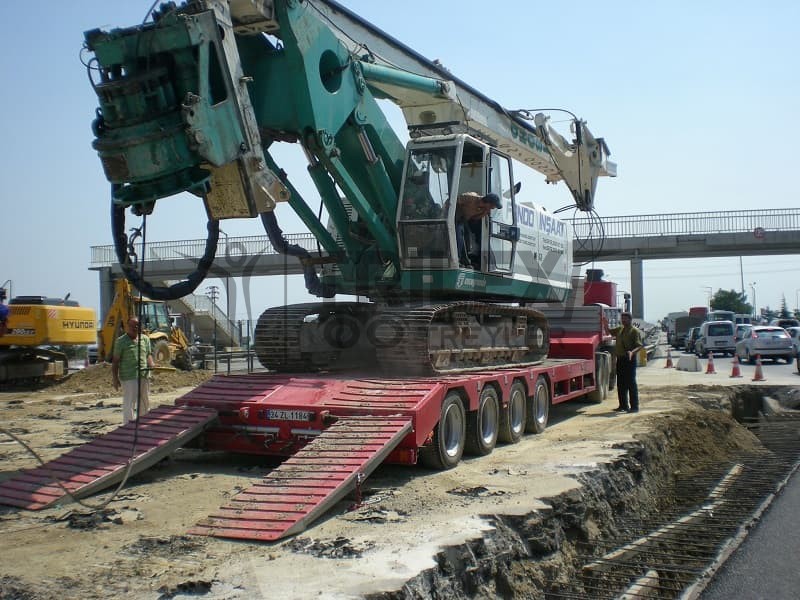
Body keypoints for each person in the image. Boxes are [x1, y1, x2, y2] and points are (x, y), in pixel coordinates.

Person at [112, 317, 155, 425]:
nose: (134, 327)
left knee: (144, 400)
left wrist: (152, 365)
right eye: (131, 325)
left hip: (144, 375)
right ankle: (128, 425)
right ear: (127, 327)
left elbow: (148, 354)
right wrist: (115, 378)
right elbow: (115, 361)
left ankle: (143, 423)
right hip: (128, 377)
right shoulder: (121, 341)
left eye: (136, 325)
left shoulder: (145, 339)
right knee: (130, 401)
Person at [455, 192, 501, 268]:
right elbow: (451, 201)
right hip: (453, 218)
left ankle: (465, 260)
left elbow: (474, 218)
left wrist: (484, 213)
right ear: (488, 203)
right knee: (459, 233)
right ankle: (457, 259)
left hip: (463, 220)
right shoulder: (470, 197)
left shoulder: (484, 210)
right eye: (493, 206)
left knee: (466, 236)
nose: (492, 208)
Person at [609, 311, 643, 413]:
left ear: (630, 319)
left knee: (631, 383)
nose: (623, 320)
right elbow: (609, 332)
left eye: (625, 319)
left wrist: (632, 352)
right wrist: (604, 322)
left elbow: (639, 345)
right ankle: (623, 406)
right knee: (621, 383)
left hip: (629, 359)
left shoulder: (634, 331)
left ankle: (634, 407)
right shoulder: (620, 329)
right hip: (620, 359)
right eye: (622, 318)